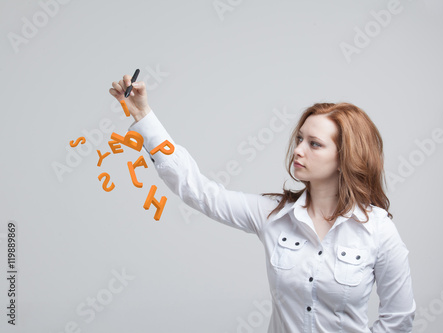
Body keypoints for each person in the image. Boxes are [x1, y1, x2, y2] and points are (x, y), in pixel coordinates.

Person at [109, 74, 416, 332]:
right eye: (299, 139)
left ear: (344, 157)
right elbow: (200, 192)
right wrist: (144, 117)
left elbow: (398, 320)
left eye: (314, 144)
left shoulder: (378, 229)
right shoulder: (273, 214)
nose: (298, 150)